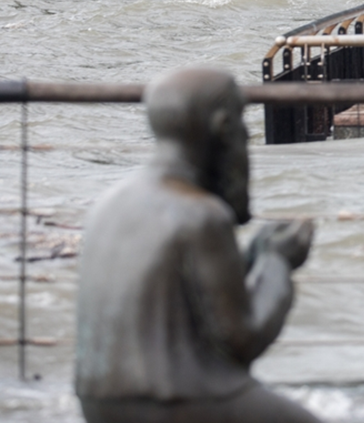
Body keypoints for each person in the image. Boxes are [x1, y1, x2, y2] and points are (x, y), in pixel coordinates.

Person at [75, 68, 319, 423]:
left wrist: (251, 258)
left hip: (98, 399)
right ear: (222, 127)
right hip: (177, 400)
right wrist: (277, 263)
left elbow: (195, 301)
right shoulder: (202, 215)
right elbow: (243, 339)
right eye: (241, 122)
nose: (246, 135)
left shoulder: (110, 201)